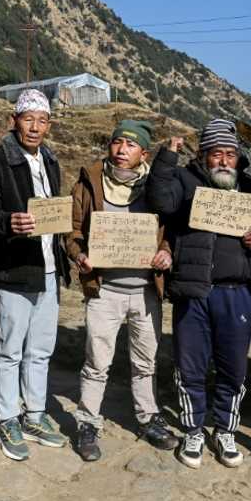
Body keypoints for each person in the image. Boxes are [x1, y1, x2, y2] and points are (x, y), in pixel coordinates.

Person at [147, 119, 251, 469]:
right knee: (189, 365)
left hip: (237, 294)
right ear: (204, 156)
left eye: (230, 154)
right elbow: (160, 200)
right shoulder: (184, 181)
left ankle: (225, 430)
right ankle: (193, 429)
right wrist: (167, 158)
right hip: (194, 290)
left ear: (238, 157)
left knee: (233, 368)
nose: (223, 160)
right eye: (216, 154)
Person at [67, 119, 177, 462]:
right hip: (105, 290)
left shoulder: (157, 186)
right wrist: (80, 255)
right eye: (117, 142)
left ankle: (147, 418)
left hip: (146, 291)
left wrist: (166, 254)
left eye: (130, 145)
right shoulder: (89, 183)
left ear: (143, 153)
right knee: (97, 361)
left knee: (146, 362)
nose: (121, 150)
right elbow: (72, 231)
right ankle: (87, 422)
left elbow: (172, 231)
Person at [0, 89, 71, 460]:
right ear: (14, 121)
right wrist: (8, 223)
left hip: (47, 269)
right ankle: (8, 419)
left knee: (41, 350)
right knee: (10, 349)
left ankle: (35, 414)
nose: (35, 127)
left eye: (42, 120)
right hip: (14, 269)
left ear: (48, 125)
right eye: (28, 118)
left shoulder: (50, 160)